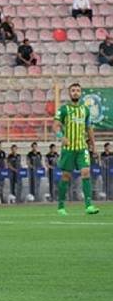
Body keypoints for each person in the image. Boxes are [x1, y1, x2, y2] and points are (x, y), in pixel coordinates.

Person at [53, 83, 99, 215]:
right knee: (66, 176)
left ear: (81, 93)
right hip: (68, 148)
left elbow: (89, 128)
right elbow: (55, 125)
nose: (75, 92)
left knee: (86, 172)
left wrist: (93, 145)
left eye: (78, 90)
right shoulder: (64, 109)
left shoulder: (86, 110)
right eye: (73, 90)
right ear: (69, 93)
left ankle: (89, 205)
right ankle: (61, 206)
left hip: (82, 147)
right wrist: (61, 136)